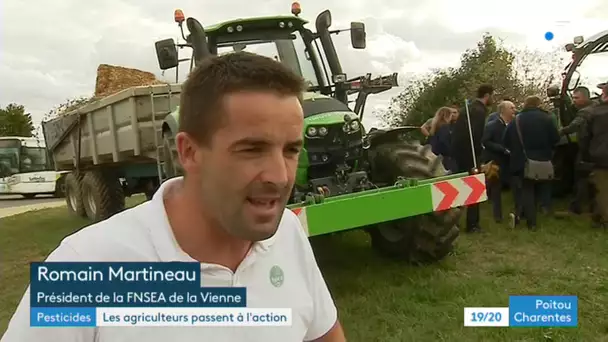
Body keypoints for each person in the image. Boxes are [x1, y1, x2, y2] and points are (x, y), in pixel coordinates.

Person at [1, 52, 345, 342]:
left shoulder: (287, 231)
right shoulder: (86, 267)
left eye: (291, 149)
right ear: (190, 152)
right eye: (251, 149)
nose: (280, 176)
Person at [503, 96, 560, 230]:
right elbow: (556, 139)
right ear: (538, 104)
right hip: (544, 160)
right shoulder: (547, 119)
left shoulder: (517, 120)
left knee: (526, 190)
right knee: (543, 187)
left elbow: (505, 140)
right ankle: (545, 209)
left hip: (523, 161)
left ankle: (531, 222)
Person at [451, 84, 494, 233]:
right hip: (471, 155)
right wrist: (478, 156)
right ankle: (472, 225)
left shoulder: (467, 109)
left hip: (460, 153)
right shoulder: (479, 111)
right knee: (474, 189)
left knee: (460, 189)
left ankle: (453, 221)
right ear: (487, 95)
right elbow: (475, 135)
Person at [557, 86, 596, 215]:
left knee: (580, 177)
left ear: (585, 98)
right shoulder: (598, 107)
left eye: (576, 98)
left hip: (587, 150)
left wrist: (559, 132)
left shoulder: (585, 112)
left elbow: (573, 126)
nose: (573, 101)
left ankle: (576, 207)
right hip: (598, 149)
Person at [481, 100, 516, 223]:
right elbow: (486, 141)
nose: (514, 110)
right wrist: (502, 149)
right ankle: (498, 216)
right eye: (511, 108)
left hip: (511, 161)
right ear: (503, 110)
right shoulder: (492, 125)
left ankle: (517, 214)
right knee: (496, 189)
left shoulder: (514, 124)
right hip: (496, 161)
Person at [581, 83, 608, 228]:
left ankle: (604, 220)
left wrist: (585, 155)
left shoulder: (594, 113)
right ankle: (598, 218)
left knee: (602, 190)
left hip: (600, 156)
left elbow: (585, 136)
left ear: (604, 94)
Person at [428, 107, 457, 171]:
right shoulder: (444, 128)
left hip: (436, 159)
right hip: (446, 160)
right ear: (446, 116)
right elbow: (444, 143)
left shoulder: (434, 128)